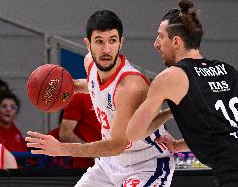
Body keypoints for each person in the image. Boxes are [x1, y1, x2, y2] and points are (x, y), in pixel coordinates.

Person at [126, 0, 238, 187]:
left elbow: (133, 133)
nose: (156, 44)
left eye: (160, 37)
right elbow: (228, 129)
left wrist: (168, 112)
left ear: (176, 41)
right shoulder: (227, 69)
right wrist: (178, 145)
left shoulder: (170, 76)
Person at [26, 10, 174, 187]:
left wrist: (61, 149)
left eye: (112, 40)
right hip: (110, 164)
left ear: (121, 42)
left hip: (145, 164)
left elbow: (117, 144)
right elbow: (95, 84)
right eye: (99, 41)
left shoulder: (131, 86)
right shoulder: (90, 63)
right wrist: (73, 86)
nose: (106, 49)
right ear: (88, 44)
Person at [59, 93, 101, 168]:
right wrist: (92, 153)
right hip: (87, 168)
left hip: (119, 166)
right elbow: (65, 133)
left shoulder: (120, 93)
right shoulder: (79, 96)